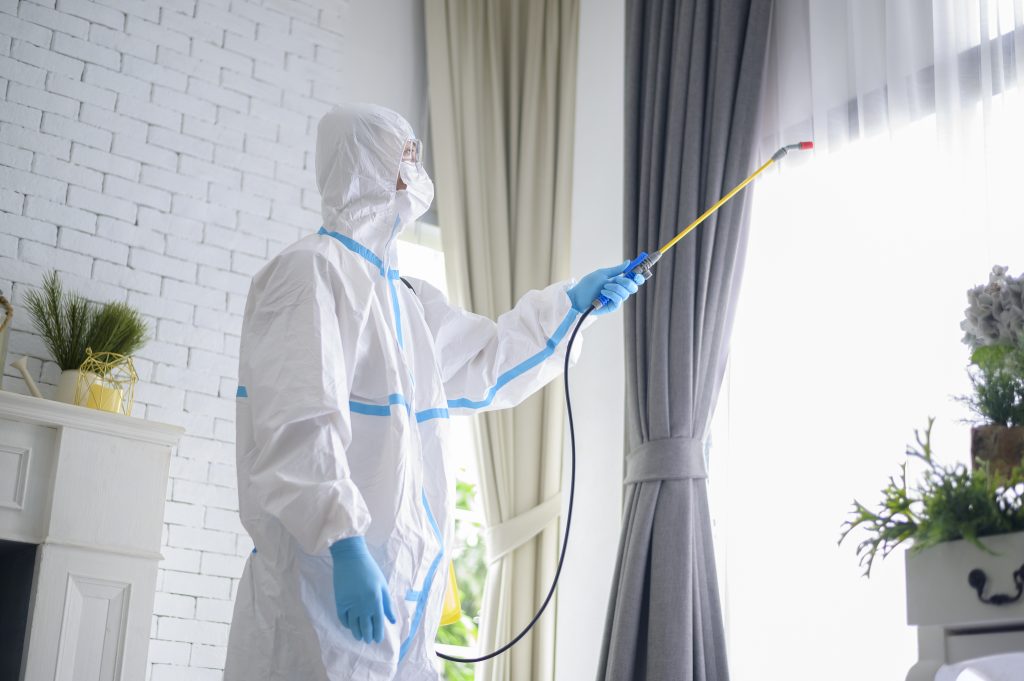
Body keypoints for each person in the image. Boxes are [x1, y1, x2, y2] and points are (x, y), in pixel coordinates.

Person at [224, 103, 644, 681]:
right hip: (317, 589)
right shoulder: (310, 273)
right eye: (405, 156)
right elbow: (298, 424)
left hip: (404, 595)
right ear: (365, 164)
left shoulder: (406, 299)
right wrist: (343, 543)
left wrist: (573, 305)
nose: (416, 170)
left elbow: (487, 362)